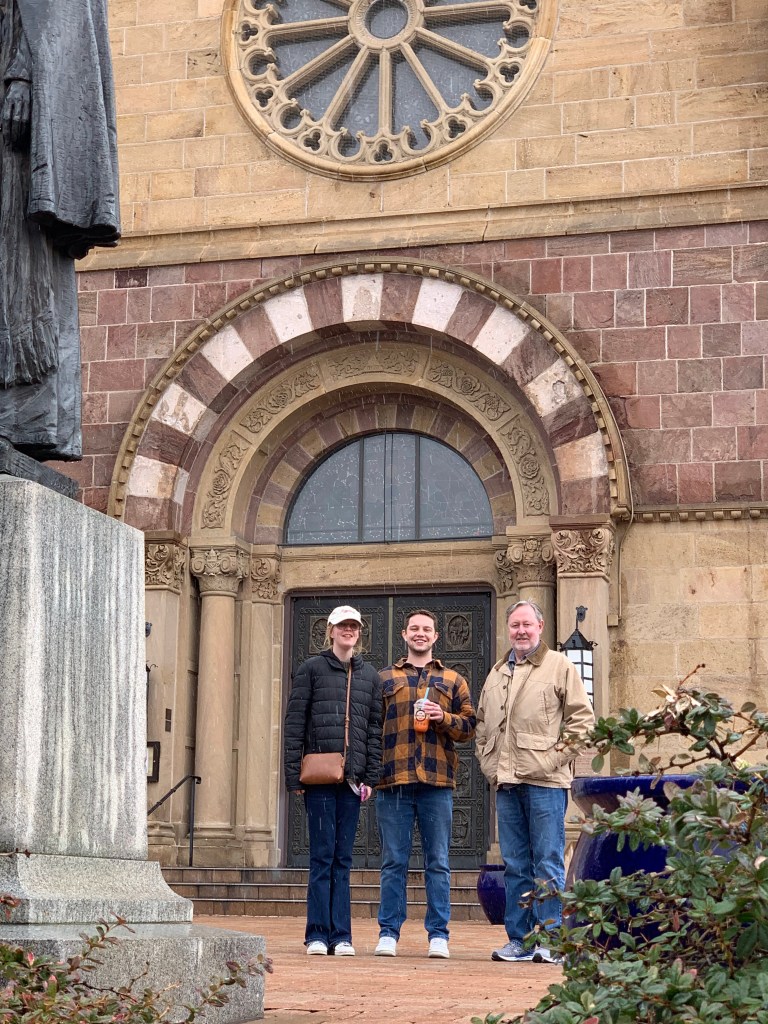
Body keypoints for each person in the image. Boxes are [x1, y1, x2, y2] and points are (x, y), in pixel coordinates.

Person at [0, 0, 119, 460]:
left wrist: (23, 75)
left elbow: (52, 11)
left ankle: (22, 418)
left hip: (18, 78)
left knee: (20, 254)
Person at [475, 600, 595, 963]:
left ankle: (551, 939)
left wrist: (552, 759)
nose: (521, 631)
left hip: (546, 783)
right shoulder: (497, 672)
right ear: (508, 629)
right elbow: (482, 726)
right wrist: (489, 765)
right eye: (515, 625)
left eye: (527, 624)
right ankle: (520, 940)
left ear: (540, 627)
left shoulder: (559, 665)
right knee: (515, 864)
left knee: (547, 862)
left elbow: (582, 722)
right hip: (507, 783)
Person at [375, 608, 476, 960]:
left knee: (438, 862)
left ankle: (438, 935)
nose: (420, 633)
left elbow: (469, 727)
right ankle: (388, 933)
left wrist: (442, 717)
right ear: (404, 634)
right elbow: (372, 727)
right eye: (414, 628)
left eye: (427, 629)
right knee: (393, 862)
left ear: (436, 636)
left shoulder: (454, 679)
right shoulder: (384, 678)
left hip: (437, 782)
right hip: (393, 781)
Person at [283, 604, 382, 957]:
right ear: (330, 630)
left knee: (343, 860)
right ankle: (316, 934)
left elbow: (374, 729)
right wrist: (293, 775)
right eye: (342, 626)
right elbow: (295, 723)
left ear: (359, 632)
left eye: (353, 625)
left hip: (352, 781)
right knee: (322, 858)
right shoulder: (311, 669)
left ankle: (342, 936)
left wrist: (371, 776)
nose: (348, 630)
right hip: (321, 777)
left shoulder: (370, 676)